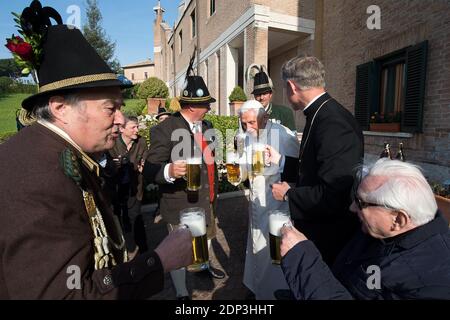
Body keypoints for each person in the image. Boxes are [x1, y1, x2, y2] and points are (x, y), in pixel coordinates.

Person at [0, 1, 192, 299]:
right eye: (110, 108)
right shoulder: (38, 176)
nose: (121, 119)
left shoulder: (52, 151)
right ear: (61, 107)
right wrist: (158, 261)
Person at [280, 159, 450, 300]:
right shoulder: (384, 232)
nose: (353, 208)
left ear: (398, 219)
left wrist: (302, 258)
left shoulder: (430, 283)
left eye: (361, 203)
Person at [142, 58, 225, 300]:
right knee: (178, 250)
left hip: (207, 198)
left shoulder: (208, 125)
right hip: (181, 204)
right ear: (191, 107)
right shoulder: (164, 129)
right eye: (206, 104)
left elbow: (211, 156)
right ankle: (181, 291)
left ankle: (203, 267)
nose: (209, 108)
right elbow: (150, 168)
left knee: (207, 237)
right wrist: (169, 171)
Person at [268, 56, 364, 265]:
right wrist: (282, 160)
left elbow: (334, 194)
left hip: (329, 237)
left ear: (292, 86)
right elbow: (315, 169)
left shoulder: (333, 122)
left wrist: (289, 195)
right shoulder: (321, 113)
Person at [237, 100, 299, 299]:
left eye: (252, 123)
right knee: (255, 248)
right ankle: (257, 288)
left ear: (264, 118)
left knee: (273, 253)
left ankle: (273, 294)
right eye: (244, 123)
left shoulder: (283, 135)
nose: (248, 128)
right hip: (255, 205)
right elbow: (244, 170)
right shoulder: (246, 136)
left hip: (276, 207)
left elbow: (297, 170)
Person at [109, 115, 148, 259]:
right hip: (116, 189)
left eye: (137, 126)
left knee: (136, 217)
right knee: (117, 220)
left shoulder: (141, 142)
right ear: (122, 129)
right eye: (133, 127)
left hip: (135, 187)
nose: (137, 130)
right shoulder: (111, 143)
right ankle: (120, 253)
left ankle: (144, 252)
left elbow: (145, 159)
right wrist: (113, 166)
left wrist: (144, 166)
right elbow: (104, 166)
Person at [248, 65, 296, 131]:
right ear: (254, 96)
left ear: (270, 94)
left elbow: (292, 139)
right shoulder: (247, 114)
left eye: (264, 93)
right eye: (258, 94)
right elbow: (232, 137)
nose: (261, 97)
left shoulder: (284, 113)